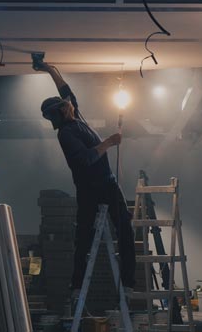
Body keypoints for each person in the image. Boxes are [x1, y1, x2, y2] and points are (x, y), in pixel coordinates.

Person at [35, 62, 136, 299]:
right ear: (61, 112)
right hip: (90, 190)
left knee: (125, 229)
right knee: (84, 239)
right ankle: (77, 284)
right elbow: (86, 159)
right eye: (65, 105)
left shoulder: (75, 118)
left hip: (108, 183)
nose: (69, 103)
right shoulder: (67, 134)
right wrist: (109, 143)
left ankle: (128, 282)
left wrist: (50, 70)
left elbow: (66, 91)